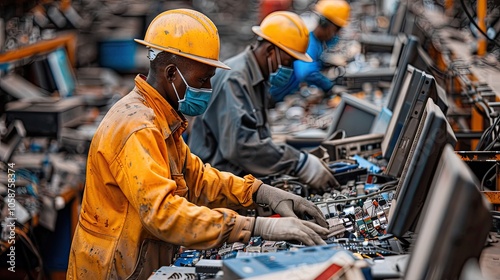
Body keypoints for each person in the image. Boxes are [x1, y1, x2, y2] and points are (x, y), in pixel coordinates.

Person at [67, 9, 331, 280]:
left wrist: (260, 193)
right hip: (112, 270)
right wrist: (255, 226)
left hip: (140, 262)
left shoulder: (162, 119)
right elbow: (164, 213)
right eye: (202, 80)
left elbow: (200, 178)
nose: (207, 88)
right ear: (172, 73)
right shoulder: (138, 126)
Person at [188, 11, 339, 192]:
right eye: (288, 61)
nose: (290, 68)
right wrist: (298, 162)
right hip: (217, 186)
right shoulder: (236, 80)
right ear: (269, 51)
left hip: (236, 176)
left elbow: (256, 136)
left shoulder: (256, 77)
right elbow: (240, 148)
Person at [269, 0, 351, 102]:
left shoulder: (316, 40)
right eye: (336, 30)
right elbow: (306, 72)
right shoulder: (307, 40)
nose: (336, 34)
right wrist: (329, 87)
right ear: (325, 24)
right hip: (273, 95)